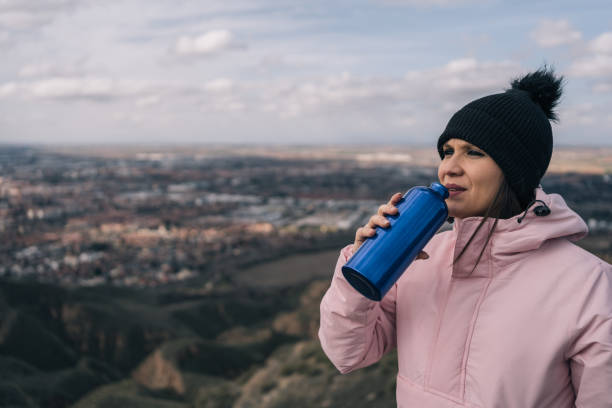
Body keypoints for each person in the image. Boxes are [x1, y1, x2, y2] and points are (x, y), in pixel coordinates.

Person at [318, 67, 612, 407]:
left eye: (473, 152)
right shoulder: (420, 260)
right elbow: (348, 355)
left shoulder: (591, 288)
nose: (449, 168)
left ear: (515, 170)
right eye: (447, 151)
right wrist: (359, 267)